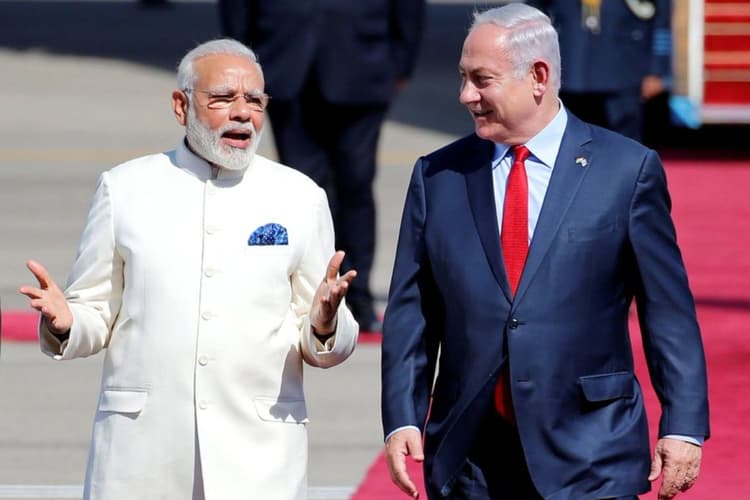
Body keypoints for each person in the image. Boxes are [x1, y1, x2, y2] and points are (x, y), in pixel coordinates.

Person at [381, 4, 708, 499]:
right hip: (471, 454)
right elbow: (413, 309)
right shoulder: (438, 175)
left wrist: (682, 424)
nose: (465, 95)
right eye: (463, 78)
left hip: (591, 450)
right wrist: (402, 416)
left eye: (482, 79)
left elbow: (668, 311)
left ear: (537, 77)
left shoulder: (626, 170)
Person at [19, 38, 359, 500]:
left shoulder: (299, 197)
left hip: (259, 460)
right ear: (181, 106)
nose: (243, 113)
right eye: (223, 98)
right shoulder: (125, 188)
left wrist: (324, 325)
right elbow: (94, 313)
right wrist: (66, 324)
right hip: (141, 457)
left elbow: (325, 344)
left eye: (255, 100)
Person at [218, 0, 426, 333]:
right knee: (301, 187)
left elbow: (409, 9)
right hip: (285, 62)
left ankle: (358, 295)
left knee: (356, 183)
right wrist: (242, 65)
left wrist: (401, 63)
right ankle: (308, 293)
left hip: (363, 65)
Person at [526, 0, 672, 143]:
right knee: (571, 137)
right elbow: (533, 15)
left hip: (624, 69)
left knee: (624, 140)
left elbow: (661, 22)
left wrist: (657, 71)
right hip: (570, 67)